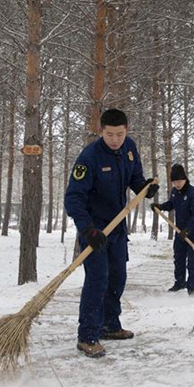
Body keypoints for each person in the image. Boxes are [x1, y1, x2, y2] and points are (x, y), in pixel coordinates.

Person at [64, 108, 159, 358]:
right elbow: (73, 198)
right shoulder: (89, 157)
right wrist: (88, 229)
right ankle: (87, 336)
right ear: (101, 131)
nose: (115, 139)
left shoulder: (129, 148)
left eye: (119, 134)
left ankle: (109, 325)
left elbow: (135, 178)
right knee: (98, 280)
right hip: (95, 228)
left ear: (126, 130)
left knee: (117, 277)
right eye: (109, 135)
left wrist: (144, 188)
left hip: (116, 226)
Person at [151, 163, 194, 296]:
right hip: (180, 231)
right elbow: (171, 204)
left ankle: (193, 288)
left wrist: (188, 230)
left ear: (185, 179)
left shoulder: (193, 194)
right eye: (174, 182)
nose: (177, 184)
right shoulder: (175, 192)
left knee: (193, 260)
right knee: (179, 257)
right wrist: (161, 206)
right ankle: (180, 282)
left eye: (179, 181)